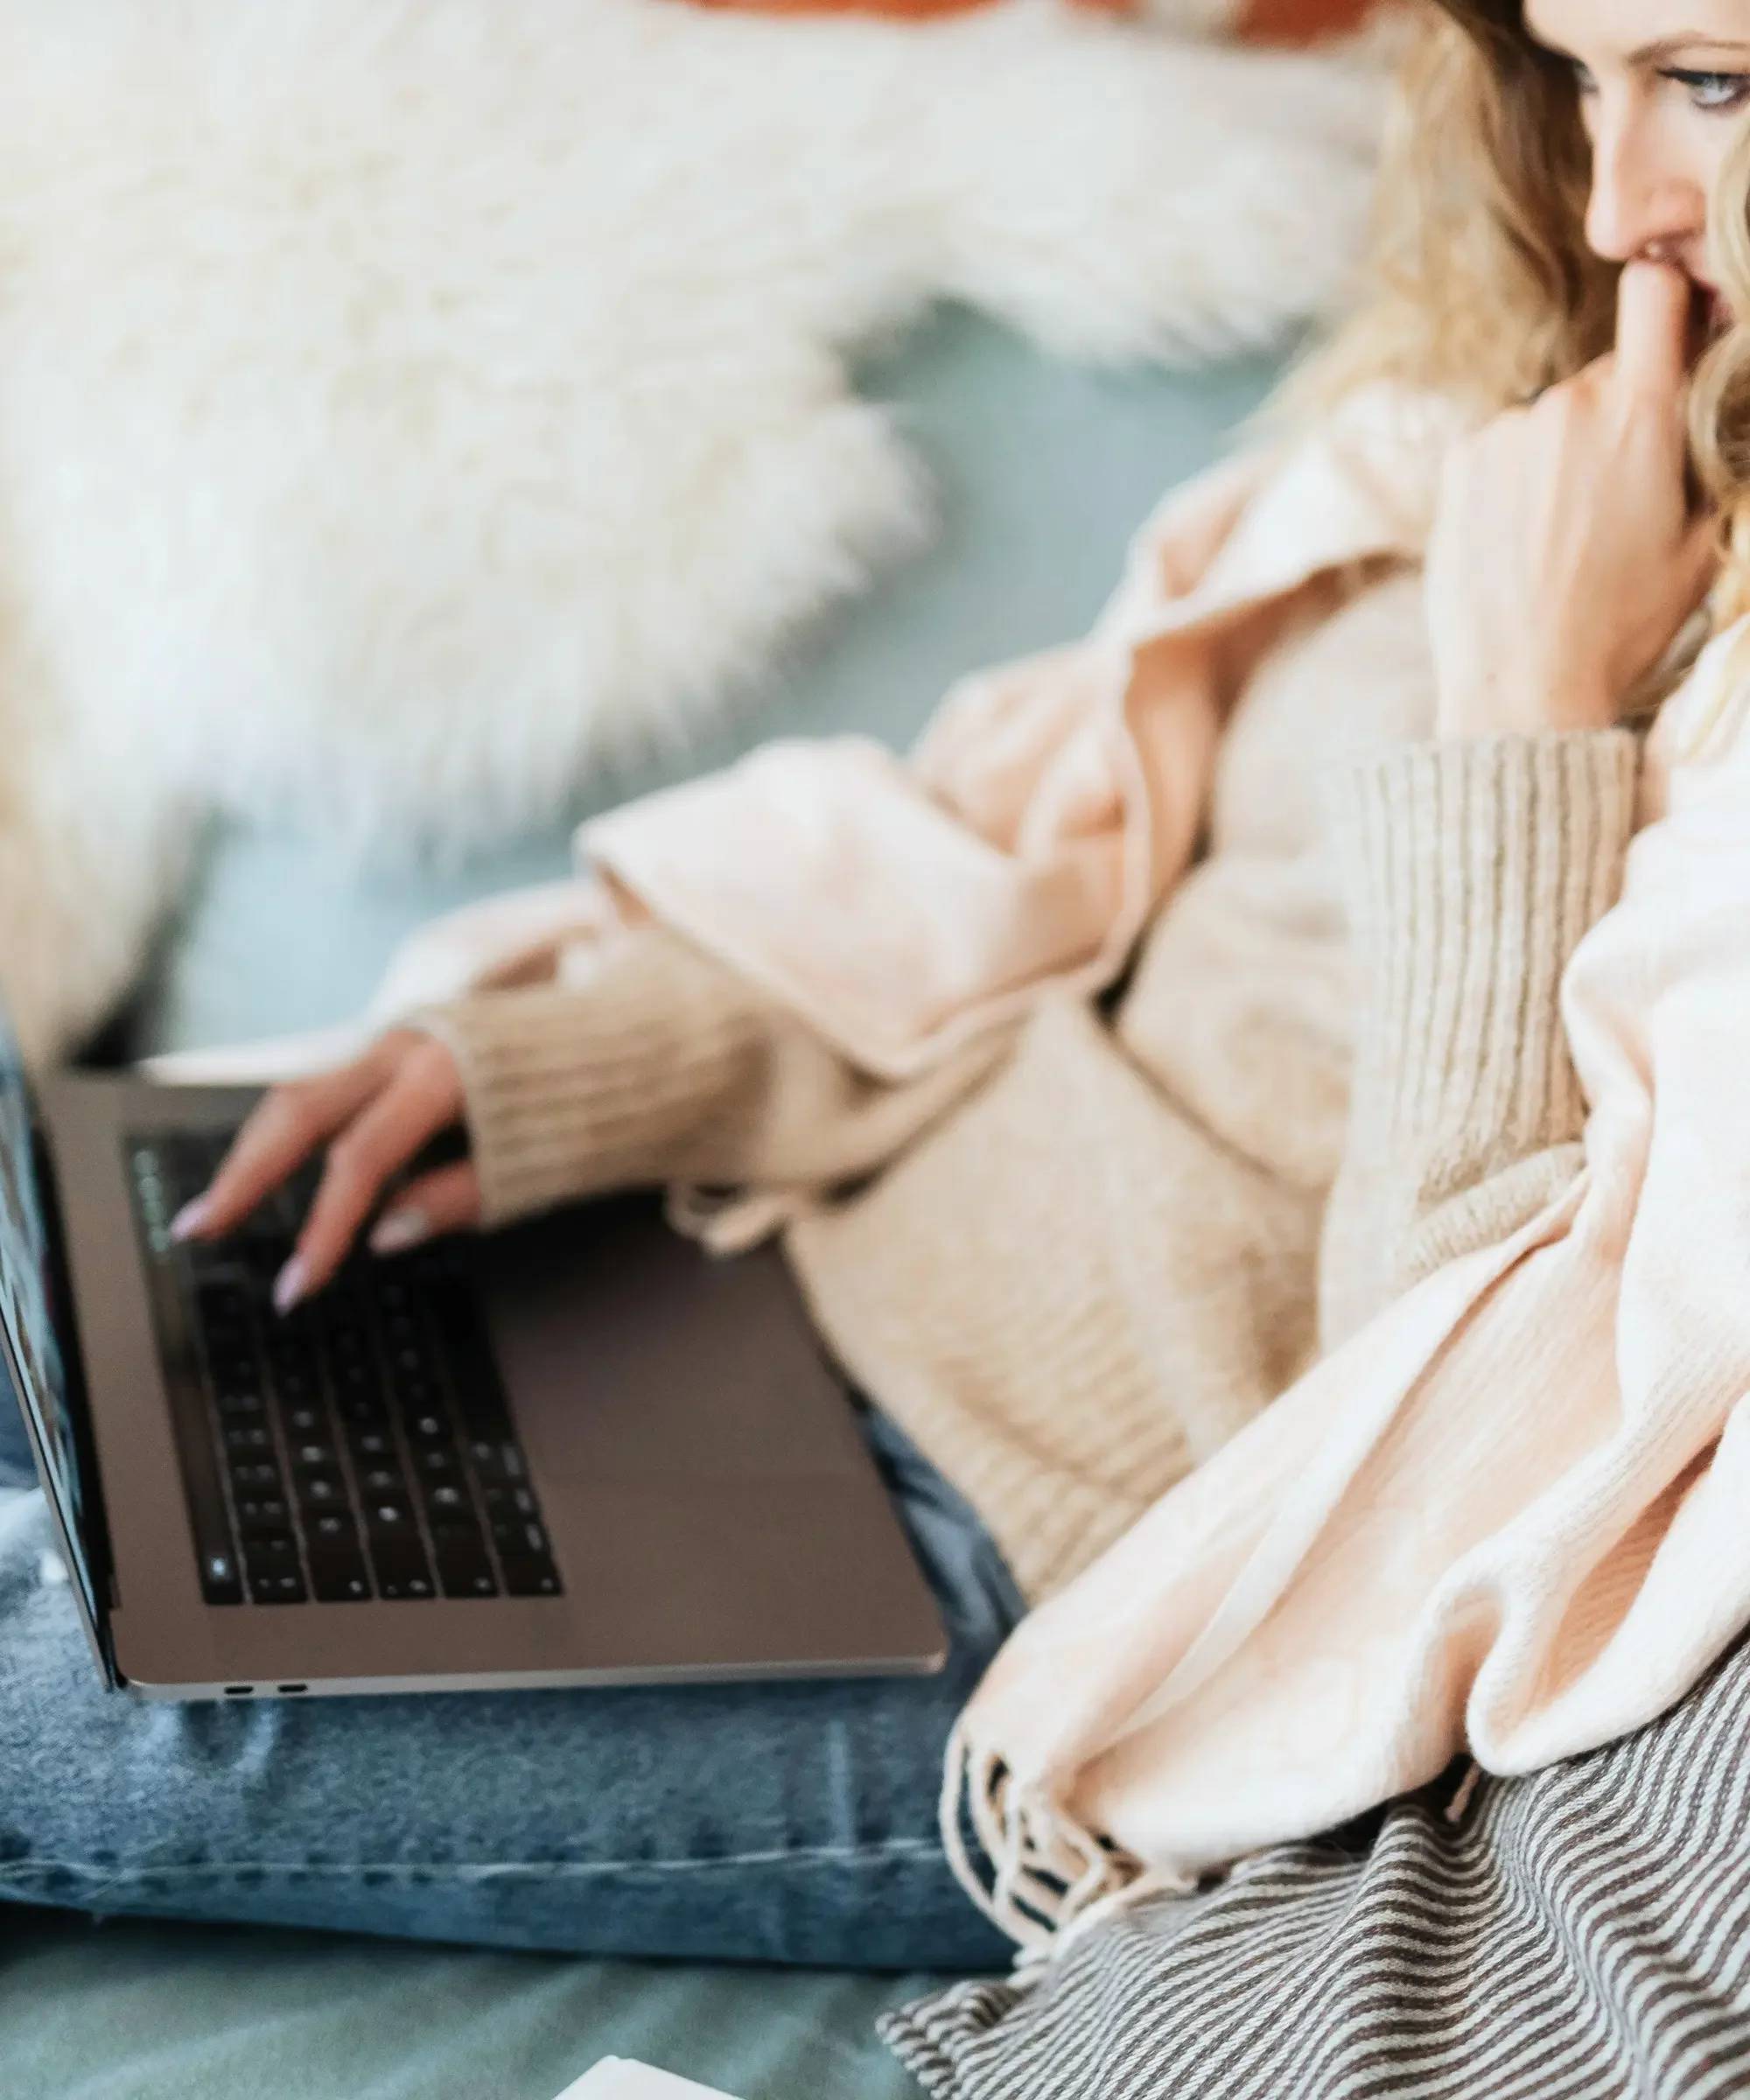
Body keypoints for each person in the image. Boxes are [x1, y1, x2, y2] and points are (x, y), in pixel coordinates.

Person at [0, 0, 1740, 2020]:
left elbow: (1456, 1497)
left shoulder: (1578, 588)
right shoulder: (1523, 422)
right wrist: (557, 1071)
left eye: (1704, 81)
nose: (1615, 206)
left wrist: (1520, 716)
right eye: (1575, 75)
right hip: (733, 1288)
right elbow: (1043, 855)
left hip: (1029, 1617)